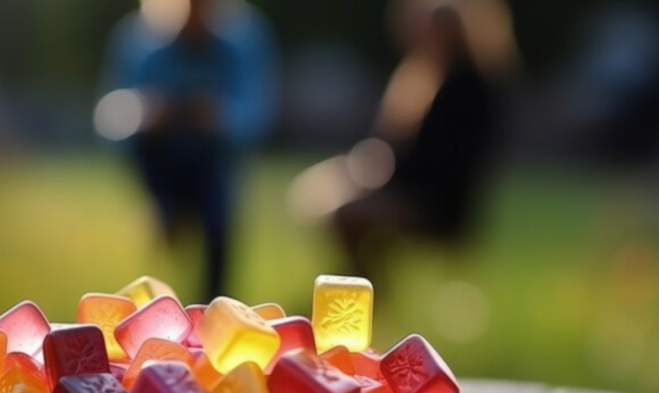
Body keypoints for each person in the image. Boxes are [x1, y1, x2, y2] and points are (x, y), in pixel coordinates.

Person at [317, 1, 515, 283]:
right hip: (428, 195)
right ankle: (367, 290)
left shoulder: (463, 88)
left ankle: (368, 292)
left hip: (437, 205)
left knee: (346, 216)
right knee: (350, 211)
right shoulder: (450, 81)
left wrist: (386, 179)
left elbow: (439, 160)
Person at [97, 0, 276, 300]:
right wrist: (145, 111)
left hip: (212, 161)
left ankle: (215, 305)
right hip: (159, 159)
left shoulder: (244, 38)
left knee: (218, 220)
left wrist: (219, 117)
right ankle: (164, 213)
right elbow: (110, 116)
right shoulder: (138, 41)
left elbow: (258, 115)